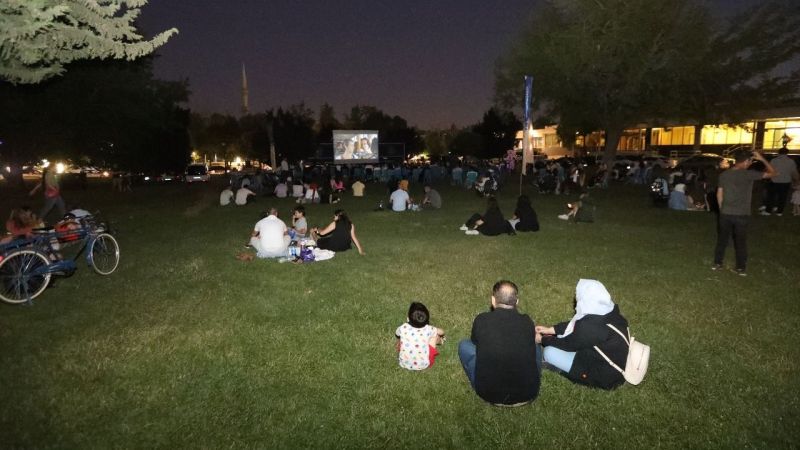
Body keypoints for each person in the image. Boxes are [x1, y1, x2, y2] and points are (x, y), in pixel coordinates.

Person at [458, 280, 541, 406]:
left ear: (493, 300)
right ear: (517, 302)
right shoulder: (527, 321)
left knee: (464, 346)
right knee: (535, 344)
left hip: (489, 393)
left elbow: (475, 342)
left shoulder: (481, 320)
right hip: (528, 393)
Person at [536, 279, 629, 390]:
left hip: (606, 374)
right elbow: (575, 326)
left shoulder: (590, 327)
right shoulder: (609, 312)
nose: (576, 299)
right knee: (561, 337)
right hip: (608, 358)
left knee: (549, 352)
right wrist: (550, 330)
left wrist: (542, 340)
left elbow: (568, 344)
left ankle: (566, 371)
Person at [713, 150, 776, 276]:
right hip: (741, 214)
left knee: (722, 240)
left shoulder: (724, 175)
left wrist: (722, 209)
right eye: (750, 161)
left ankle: (717, 263)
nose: (750, 163)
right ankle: (740, 268)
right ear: (746, 161)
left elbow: (719, 193)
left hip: (726, 213)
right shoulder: (749, 174)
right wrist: (762, 159)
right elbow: (774, 173)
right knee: (740, 241)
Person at [395, 302, 445, 371]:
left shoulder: (403, 327)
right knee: (435, 336)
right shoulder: (429, 329)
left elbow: (397, 333)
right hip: (424, 364)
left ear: (408, 319)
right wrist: (441, 332)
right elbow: (441, 332)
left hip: (403, 363)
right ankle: (441, 341)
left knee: (402, 338)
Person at [759, 147, 798, 216]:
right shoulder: (791, 161)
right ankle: (779, 212)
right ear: (787, 153)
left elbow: (769, 170)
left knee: (771, 197)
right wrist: (797, 180)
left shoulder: (774, 160)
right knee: (783, 197)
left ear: (779, 153)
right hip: (786, 182)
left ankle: (768, 211)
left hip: (774, 181)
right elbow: (794, 172)